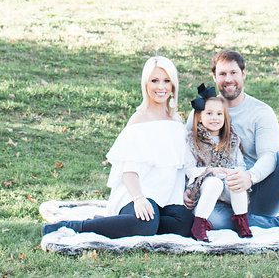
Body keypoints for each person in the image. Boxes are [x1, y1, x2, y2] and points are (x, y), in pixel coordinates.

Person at [42, 56, 194, 238]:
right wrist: (139, 199)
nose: (161, 87)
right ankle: (75, 226)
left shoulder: (176, 121)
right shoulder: (139, 120)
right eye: (155, 81)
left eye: (166, 81)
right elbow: (128, 171)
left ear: (173, 85)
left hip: (167, 197)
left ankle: (115, 224)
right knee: (145, 225)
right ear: (146, 84)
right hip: (139, 193)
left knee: (184, 224)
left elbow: (180, 165)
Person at [187, 50, 279, 242]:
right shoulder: (201, 112)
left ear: (244, 74)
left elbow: (269, 156)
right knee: (212, 220)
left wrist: (250, 177)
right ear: (214, 77)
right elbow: (188, 152)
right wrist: (188, 190)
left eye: (233, 73)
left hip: (259, 191)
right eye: (222, 74)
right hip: (217, 194)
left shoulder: (261, 112)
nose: (228, 79)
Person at [184, 84, 252, 242]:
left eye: (219, 114)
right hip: (203, 186)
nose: (214, 118)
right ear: (200, 116)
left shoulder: (232, 140)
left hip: (227, 185)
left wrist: (233, 172)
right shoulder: (193, 141)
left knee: (236, 182)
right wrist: (211, 171)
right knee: (215, 183)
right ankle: (199, 224)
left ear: (225, 117)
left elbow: (241, 165)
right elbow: (189, 169)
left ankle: (241, 221)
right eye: (209, 113)